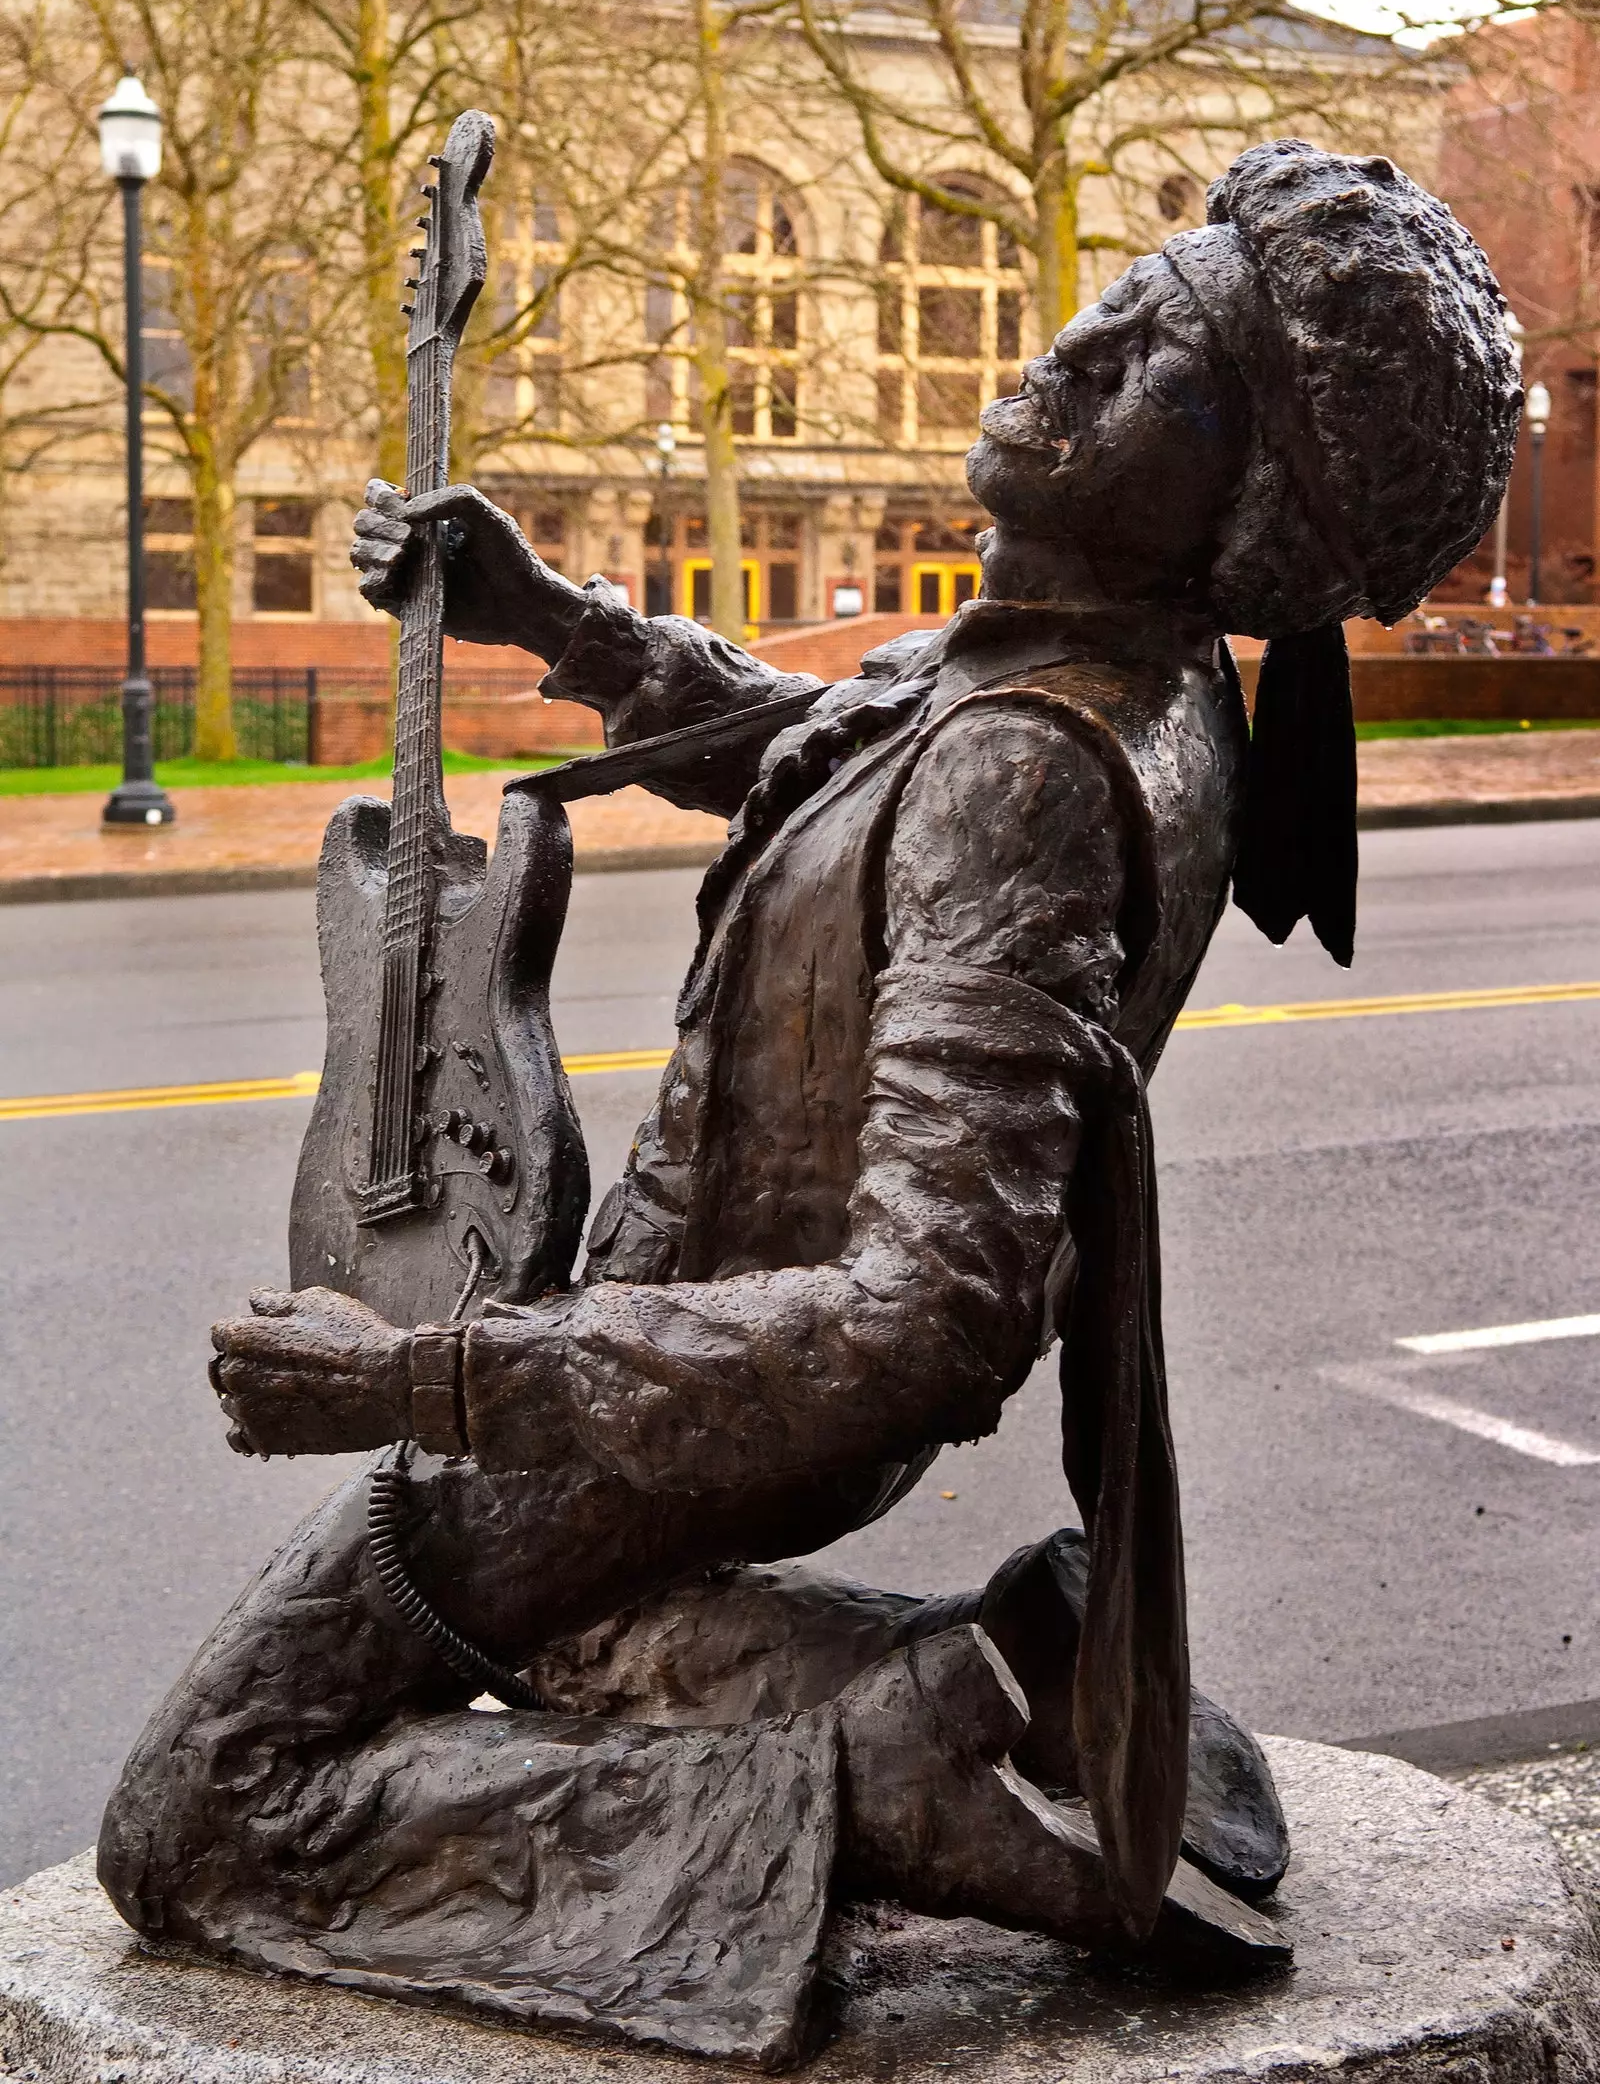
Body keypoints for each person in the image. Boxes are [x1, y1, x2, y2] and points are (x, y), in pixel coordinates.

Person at [99, 140, 1518, 2066]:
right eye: (1125, 290)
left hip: (685, 1393)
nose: (1082, 340)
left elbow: (929, 1322)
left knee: (212, 1806)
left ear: (1241, 511)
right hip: (671, 1372)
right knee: (572, 1645)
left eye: (1159, 364)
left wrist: (417, 1383)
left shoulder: (1030, 769)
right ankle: (937, 1695)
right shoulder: (1076, 669)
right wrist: (557, 617)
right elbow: (818, 747)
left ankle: (856, 1788)